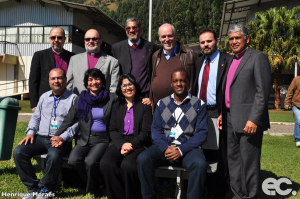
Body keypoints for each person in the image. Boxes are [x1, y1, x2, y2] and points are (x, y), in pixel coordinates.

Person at [217, 24, 271, 199]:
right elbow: (229, 91)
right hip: (230, 117)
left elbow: (262, 91)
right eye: (231, 38)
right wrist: (223, 114)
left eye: (237, 38)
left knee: (249, 163)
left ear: (246, 39)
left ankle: (249, 196)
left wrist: (254, 119)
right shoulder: (231, 60)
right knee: (234, 161)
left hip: (248, 120)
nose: (233, 41)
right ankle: (237, 194)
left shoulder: (257, 57)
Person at [137, 68, 208, 199]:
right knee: (143, 159)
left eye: (182, 81)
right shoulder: (161, 103)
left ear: (188, 83)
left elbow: (202, 133)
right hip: (165, 148)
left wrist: (181, 150)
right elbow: (156, 130)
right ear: (171, 84)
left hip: (188, 149)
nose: (179, 84)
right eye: (175, 81)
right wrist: (165, 148)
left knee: (199, 164)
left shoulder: (199, 104)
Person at [13, 68, 77, 199]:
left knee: (53, 156)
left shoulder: (73, 98)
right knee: (19, 152)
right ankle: (33, 188)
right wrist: (30, 133)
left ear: (65, 79)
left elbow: (77, 123)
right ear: (49, 81)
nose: (56, 81)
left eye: (59, 78)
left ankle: (46, 188)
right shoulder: (44, 97)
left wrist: (63, 137)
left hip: (60, 140)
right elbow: (36, 117)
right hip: (40, 137)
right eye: (53, 78)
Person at [55, 68, 115, 198]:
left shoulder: (111, 98)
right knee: (73, 160)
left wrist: (145, 100)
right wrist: (58, 134)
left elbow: (127, 104)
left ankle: (95, 190)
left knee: (90, 161)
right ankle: (96, 183)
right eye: (90, 79)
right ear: (86, 82)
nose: (94, 82)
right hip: (85, 138)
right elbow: (69, 118)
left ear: (102, 81)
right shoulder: (81, 99)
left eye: (97, 79)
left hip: (103, 139)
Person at [193, 28, 232, 198]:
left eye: (209, 41)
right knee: (204, 151)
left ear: (217, 41)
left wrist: (224, 111)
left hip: (219, 111)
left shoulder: (228, 60)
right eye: (202, 42)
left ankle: (220, 190)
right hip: (200, 112)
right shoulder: (198, 62)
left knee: (221, 152)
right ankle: (206, 187)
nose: (205, 45)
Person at [100, 74, 152, 199]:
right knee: (106, 163)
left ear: (135, 86)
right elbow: (112, 129)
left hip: (138, 142)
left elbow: (145, 131)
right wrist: (121, 144)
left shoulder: (144, 105)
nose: (127, 88)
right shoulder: (116, 105)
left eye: (130, 84)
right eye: (124, 85)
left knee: (128, 166)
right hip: (120, 141)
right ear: (120, 88)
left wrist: (132, 145)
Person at [149, 23, 201, 108]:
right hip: (159, 109)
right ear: (159, 38)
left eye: (170, 36)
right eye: (163, 37)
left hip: (183, 108)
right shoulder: (155, 56)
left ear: (175, 36)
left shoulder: (192, 54)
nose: (167, 39)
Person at [111, 17, 159, 101]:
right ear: (125, 30)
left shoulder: (152, 47)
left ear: (140, 29)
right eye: (128, 28)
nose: (131, 30)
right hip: (125, 95)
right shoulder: (116, 48)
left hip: (145, 96)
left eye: (134, 27)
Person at [29, 27, 75, 112]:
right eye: (53, 37)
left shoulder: (72, 57)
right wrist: (34, 105)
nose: (56, 40)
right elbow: (33, 81)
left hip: (67, 100)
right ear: (50, 39)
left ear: (65, 39)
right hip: (46, 100)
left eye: (59, 37)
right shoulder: (39, 56)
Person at [67, 29, 120, 95]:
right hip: (79, 102)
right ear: (84, 41)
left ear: (100, 41)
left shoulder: (112, 62)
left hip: (102, 103)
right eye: (87, 39)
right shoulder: (74, 59)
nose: (91, 41)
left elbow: (114, 88)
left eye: (94, 39)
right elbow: (69, 85)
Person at [284, 76, 300, 147]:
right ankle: (298, 140)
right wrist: (287, 102)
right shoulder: (296, 79)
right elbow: (290, 91)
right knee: (299, 121)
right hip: (296, 105)